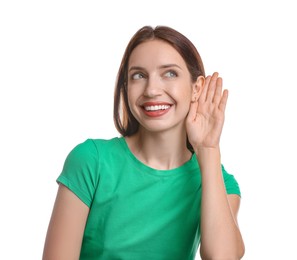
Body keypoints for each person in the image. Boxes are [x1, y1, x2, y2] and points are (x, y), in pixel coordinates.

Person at [42, 25, 245, 260]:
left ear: (196, 88)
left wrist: (208, 149)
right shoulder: (91, 160)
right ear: (126, 87)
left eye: (170, 73)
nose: (151, 90)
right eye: (138, 75)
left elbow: (222, 257)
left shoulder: (218, 182)